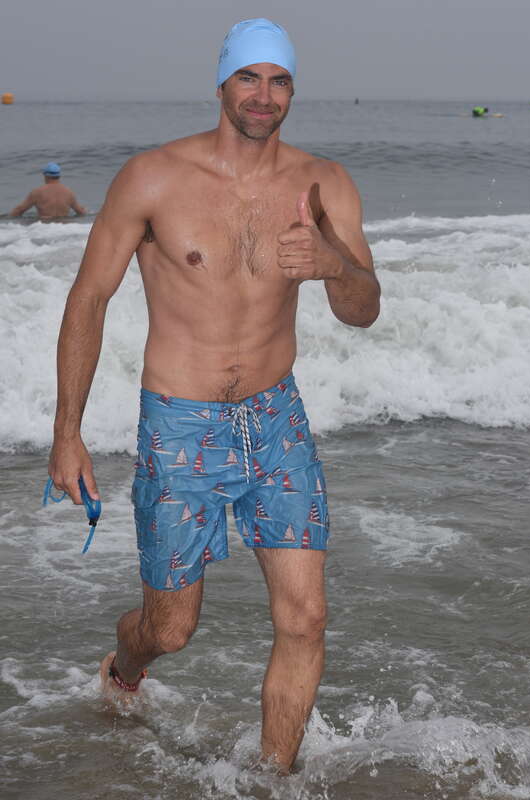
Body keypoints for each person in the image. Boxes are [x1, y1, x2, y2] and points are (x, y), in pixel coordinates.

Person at [47, 18, 380, 773]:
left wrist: (333, 263)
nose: (265, 96)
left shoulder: (322, 183)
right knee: (171, 630)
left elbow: (364, 308)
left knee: (306, 616)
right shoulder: (153, 178)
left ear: (293, 89)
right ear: (222, 83)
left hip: (276, 417)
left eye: (280, 80)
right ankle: (127, 664)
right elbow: (88, 299)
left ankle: (275, 779)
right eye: (250, 78)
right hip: (180, 424)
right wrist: (68, 433)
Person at [10, 162, 86, 219]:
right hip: (64, 227)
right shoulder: (69, 192)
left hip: (45, 227)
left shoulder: (37, 192)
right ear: (59, 175)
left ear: (45, 175)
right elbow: (81, 212)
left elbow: (19, 210)